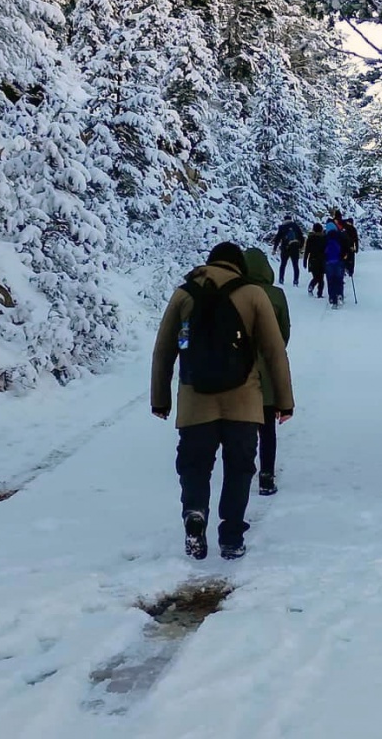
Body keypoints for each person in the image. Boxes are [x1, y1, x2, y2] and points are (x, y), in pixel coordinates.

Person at [151, 242, 294, 560]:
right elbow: (274, 351)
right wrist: (284, 402)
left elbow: (163, 351)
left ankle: (195, 511)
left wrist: (160, 400)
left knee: (194, 465)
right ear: (237, 265)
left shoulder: (183, 294)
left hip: (195, 399)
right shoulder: (254, 294)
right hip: (243, 400)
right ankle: (230, 536)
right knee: (240, 468)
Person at [243, 247, 290, 496]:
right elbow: (284, 334)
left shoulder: (236, 294)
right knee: (267, 429)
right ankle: (267, 475)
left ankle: (243, 470)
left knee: (243, 426)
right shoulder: (277, 295)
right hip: (269, 371)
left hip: (240, 370)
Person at [271, 216, 305, 286]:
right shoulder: (296, 226)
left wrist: (274, 249)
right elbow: (301, 237)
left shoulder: (282, 227)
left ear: (284, 220)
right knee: (295, 265)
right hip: (295, 248)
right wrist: (300, 247)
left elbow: (277, 238)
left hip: (285, 248)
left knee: (283, 264)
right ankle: (295, 281)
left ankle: (281, 279)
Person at [323, 222, 348, 307]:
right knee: (339, 279)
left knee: (330, 281)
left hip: (328, 262)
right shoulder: (341, 236)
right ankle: (340, 295)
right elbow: (346, 248)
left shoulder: (325, 238)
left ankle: (332, 297)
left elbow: (322, 251)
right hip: (339, 261)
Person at [305, 222, 328, 298]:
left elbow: (307, 250)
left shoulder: (310, 238)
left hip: (312, 260)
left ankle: (311, 286)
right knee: (321, 278)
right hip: (322, 260)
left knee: (316, 277)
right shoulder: (324, 238)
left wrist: (305, 260)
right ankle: (319, 294)